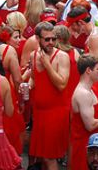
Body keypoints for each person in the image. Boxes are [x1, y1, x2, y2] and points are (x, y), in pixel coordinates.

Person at [28, 21, 73, 170]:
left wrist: (47, 65)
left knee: (49, 157)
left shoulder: (62, 57)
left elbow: (61, 85)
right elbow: (34, 78)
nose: (51, 42)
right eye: (47, 39)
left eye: (53, 39)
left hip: (57, 112)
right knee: (40, 156)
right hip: (40, 112)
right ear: (37, 38)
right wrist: (27, 87)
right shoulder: (33, 55)